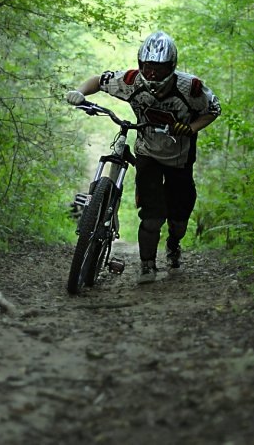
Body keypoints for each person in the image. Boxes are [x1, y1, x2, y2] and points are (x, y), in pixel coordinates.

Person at [67, 31, 221, 283]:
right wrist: (79, 93)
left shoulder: (191, 88)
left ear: (171, 66)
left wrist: (191, 128)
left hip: (179, 158)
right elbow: (99, 80)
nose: (152, 73)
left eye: (159, 68)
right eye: (148, 67)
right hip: (147, 152)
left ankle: (173, 244)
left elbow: (213, 109)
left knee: (179, 218)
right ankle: (147, 265)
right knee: (152, 216)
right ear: (140, 64)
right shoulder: (131, 81)